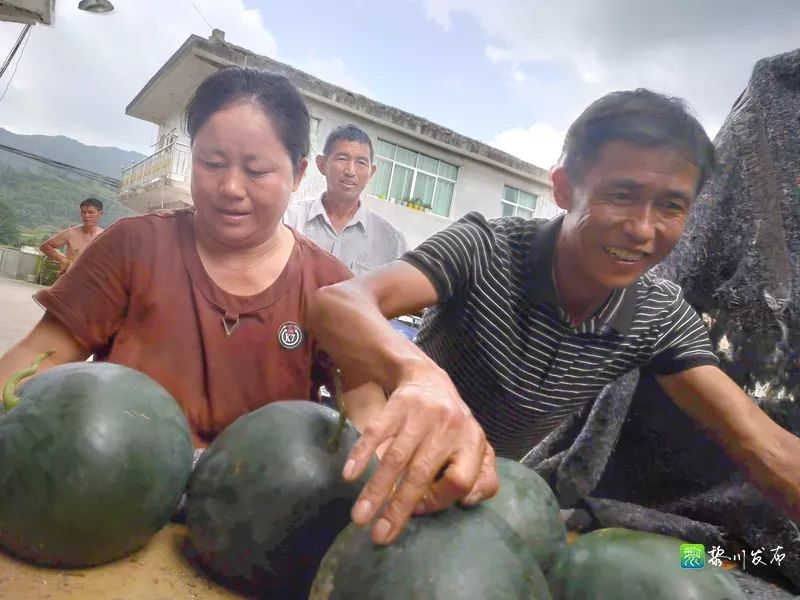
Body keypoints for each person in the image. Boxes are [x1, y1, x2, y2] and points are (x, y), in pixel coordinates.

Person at [307, 88, 800, 545]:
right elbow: (339, 303)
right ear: (564, 188)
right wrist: (419, 376)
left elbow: (764, 446)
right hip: (371, 465)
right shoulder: (486, 247)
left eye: (671, 206)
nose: (642, 229)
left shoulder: (658, 316)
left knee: (719, 560)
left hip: (471, 507)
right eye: (622, 195)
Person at [0, 66, 383, 450]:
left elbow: (367, 410)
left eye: (257, 170)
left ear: (298, 174)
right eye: (212, 164)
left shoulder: (329, 285)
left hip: (261, 506)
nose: (231, 187)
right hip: (116, 495)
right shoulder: (133, 246)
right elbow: (39, 355)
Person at [284, 124, 408, 276]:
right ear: (321, 164)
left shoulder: (392, 241)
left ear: (371, 173)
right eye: (342, 159)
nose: (350, 171)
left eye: (361, 163)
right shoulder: (288, 220)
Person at [39, 197, 105, 274]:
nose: (86, 215)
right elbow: (45, 247)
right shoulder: (70, 233)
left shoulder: (105, 236)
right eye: (83, 212)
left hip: (92, 281)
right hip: (69, 279)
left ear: (100, 214)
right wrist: (63, 259)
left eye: (91, 212)